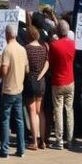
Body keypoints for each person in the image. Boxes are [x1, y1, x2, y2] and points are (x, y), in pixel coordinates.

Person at [0, 23, 29, 158]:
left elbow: (4, 72)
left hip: (8, 90)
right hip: (19, 88)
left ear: (7, 35)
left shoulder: (7, 50)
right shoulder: (22, 49)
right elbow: (26, 69)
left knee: (5, 120)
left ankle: (5, 149)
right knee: (19, 120)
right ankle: (21, 149)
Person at [49, 20, 75, 150]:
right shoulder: (73, 44)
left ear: (58, 30)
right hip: (70, 80)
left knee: (58, 110)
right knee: (69, 110)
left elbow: (51, 62)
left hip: (58, 81)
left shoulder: (54, 45)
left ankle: (59, 140)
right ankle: (69, 139)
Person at [23, 25, 49, 151]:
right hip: (41, 82)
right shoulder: (44, 48)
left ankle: (34, 141)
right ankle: (43, 140)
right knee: (41, 111)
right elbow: (47, 63)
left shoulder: (26, 48)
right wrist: (41, 75)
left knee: (32, 112)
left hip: (30, 81)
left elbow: (26, 67)